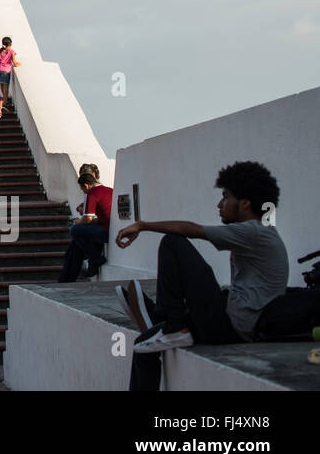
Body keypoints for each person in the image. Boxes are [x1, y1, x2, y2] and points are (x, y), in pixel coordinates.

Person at [114, 161, 288, 391]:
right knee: (143, 345)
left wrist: (142, 225)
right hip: (229, 319)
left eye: (226, 197)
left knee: (172, 242)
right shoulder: (253, 231)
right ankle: (165, 323)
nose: (219, 204)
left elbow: (192, 230)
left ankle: (171, 324)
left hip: (235, 327)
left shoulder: (256, 231)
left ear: (245, 202)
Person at [58, 170, 112, 281]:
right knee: (75, 246)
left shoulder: (92, 193)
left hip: (104, 231)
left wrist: (78, 222)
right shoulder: (109, 190)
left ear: (86, 185)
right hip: (109, 227)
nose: (83, 192)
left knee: (74, 230)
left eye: (82, 188)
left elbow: (87, 218)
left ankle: (95, 258)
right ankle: (69, 278)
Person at [0, 37, 19, 111]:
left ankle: (4, 98)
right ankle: (4, 102)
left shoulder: (0, 50)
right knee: (6, 87)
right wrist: (18, 64)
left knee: (1, 85)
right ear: (10, 44)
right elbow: (14, 61)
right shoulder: (11, 51)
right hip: (6, 71)